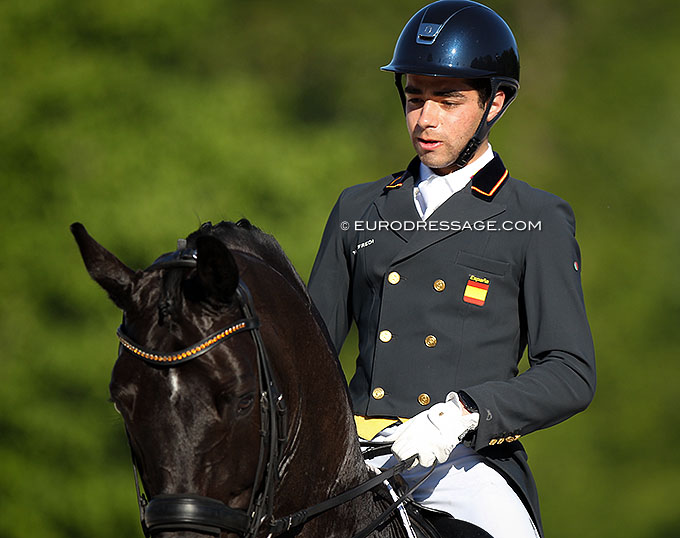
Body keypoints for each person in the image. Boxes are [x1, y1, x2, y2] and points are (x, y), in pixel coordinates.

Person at [307, 1, 596, 537]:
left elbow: (571, 373)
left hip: (467, 463)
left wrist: (463, 412)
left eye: (449, 99)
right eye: (415, 97)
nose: (426, 119)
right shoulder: (358, 208)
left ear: (495, 102)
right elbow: (308, 348)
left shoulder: (535, 218)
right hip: (355, 457)